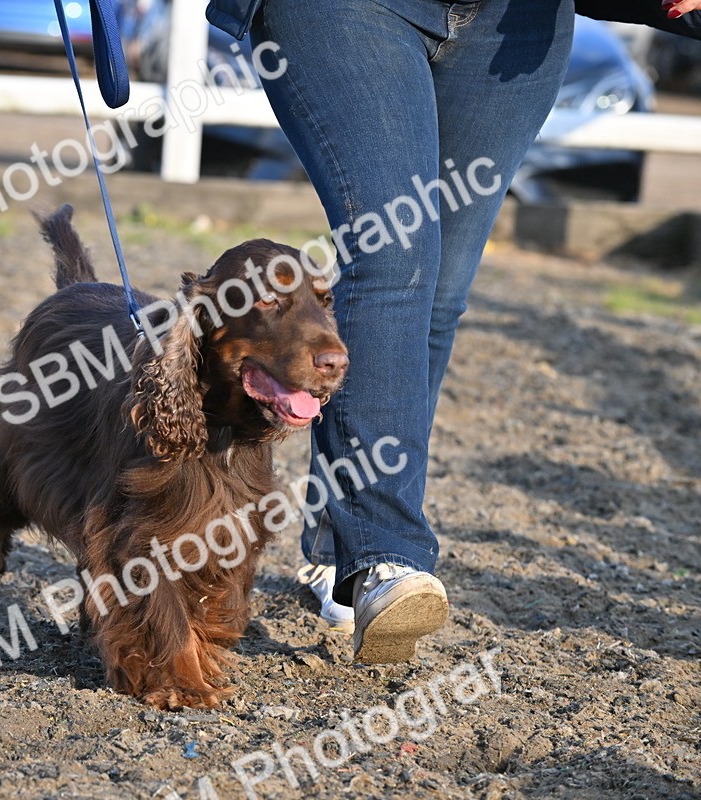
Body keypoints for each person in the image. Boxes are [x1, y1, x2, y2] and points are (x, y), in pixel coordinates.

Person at [202, 0, 700, 664]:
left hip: (513, 20)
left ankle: (339, 545)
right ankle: (385, 557)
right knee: (394, 259)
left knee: (438, 293)